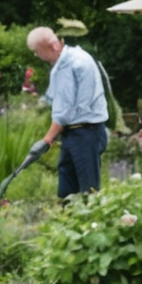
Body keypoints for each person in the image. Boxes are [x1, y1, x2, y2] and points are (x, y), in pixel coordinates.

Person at [25, 25, 109, 198]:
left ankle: (90, 225)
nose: (37, 56)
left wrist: (47, 139)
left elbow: (65, 110)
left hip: (85, 133)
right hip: (74, 133)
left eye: (37, 51)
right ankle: (67, 222)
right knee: (67, 191)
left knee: (88, 192)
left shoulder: (71, 64)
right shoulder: (66, 60)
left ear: (51, 46)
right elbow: (54, 98)